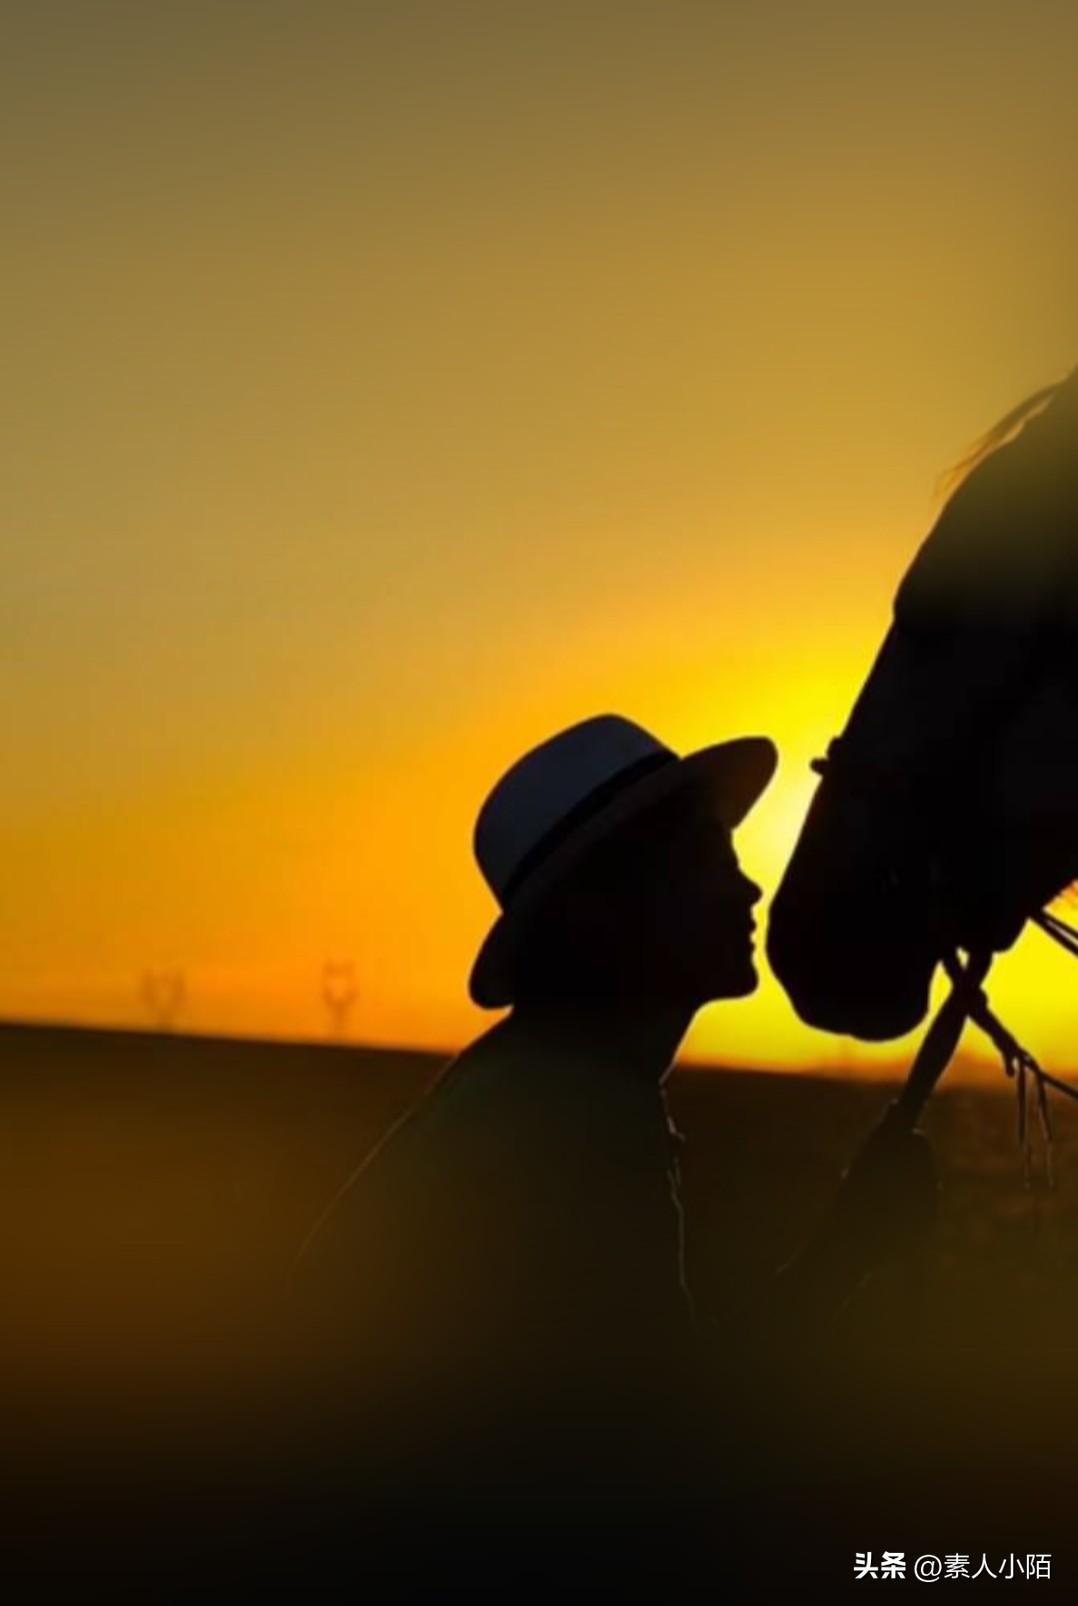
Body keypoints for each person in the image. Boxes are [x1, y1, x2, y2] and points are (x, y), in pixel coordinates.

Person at [287, 716, 937, 1555]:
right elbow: (670, 1441)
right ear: (602, 910)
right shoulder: (567, 1122)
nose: (748, 891)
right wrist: (849, 1250)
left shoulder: (538, 1088)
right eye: (707, 861)